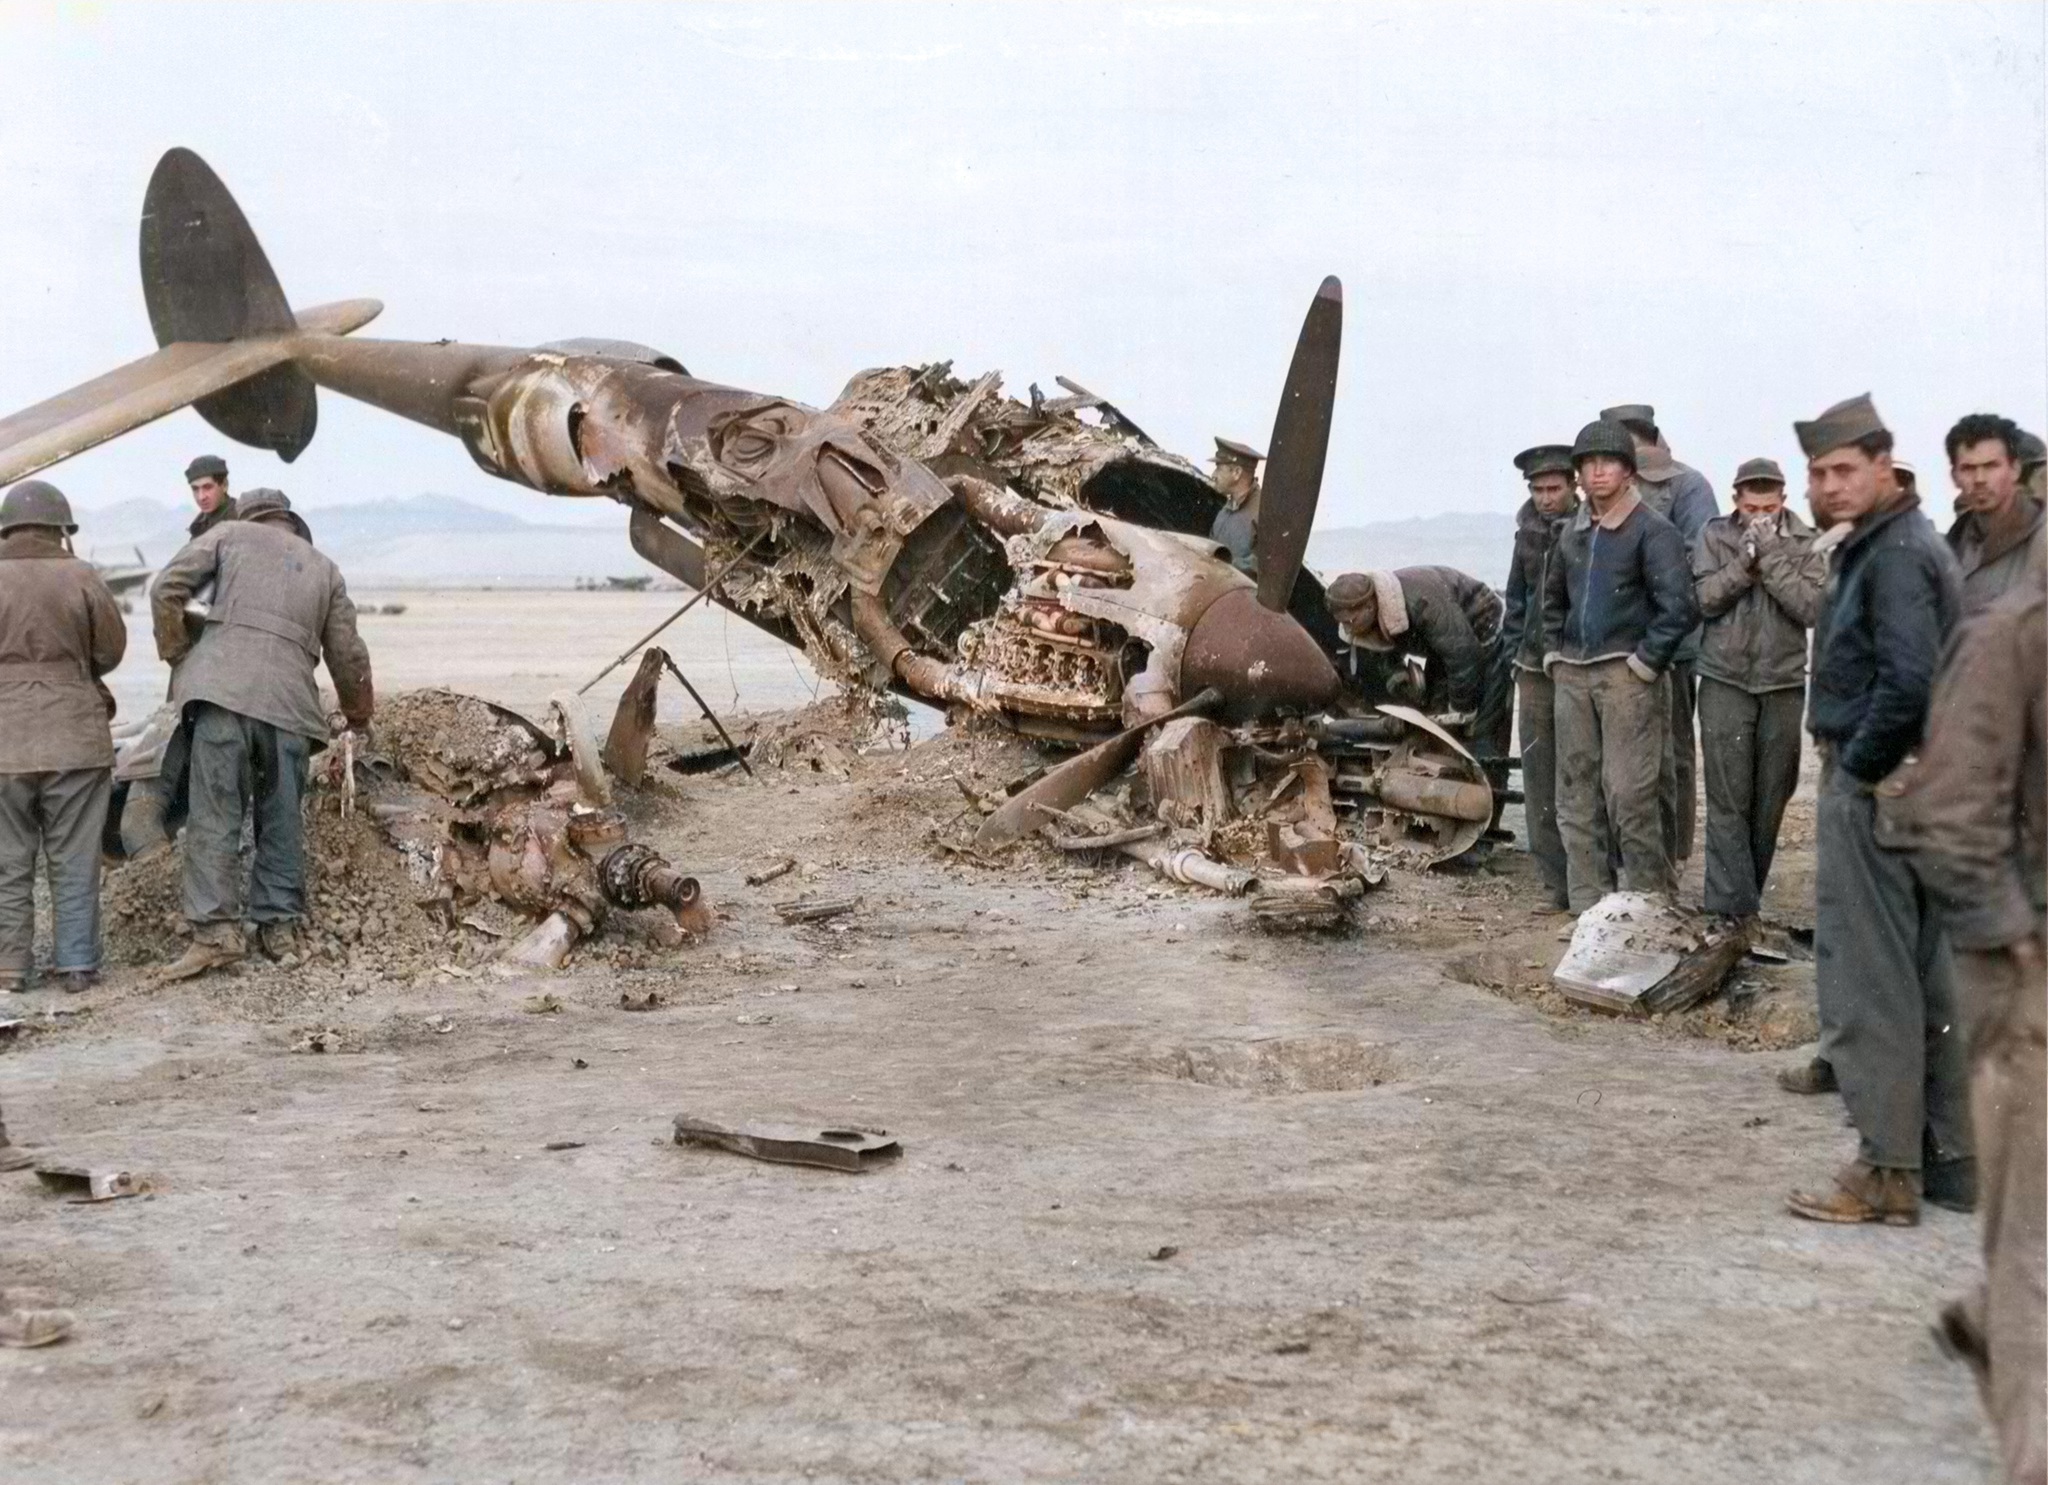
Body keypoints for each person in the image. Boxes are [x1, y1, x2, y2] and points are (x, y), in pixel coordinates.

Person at [1784, 394, 1971, 1227]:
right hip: (1922, 781)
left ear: (1884, 465)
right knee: (1931, 973)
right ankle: (1953, 1161)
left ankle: (1886, 1169)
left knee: (1872, 978)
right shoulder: (1900, 540)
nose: (1828, 486)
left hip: (1879, 783)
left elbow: (1908, 680)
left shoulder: (1892, 553)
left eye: (1844, 469)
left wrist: (1857, 770)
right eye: (1817, 473)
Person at [1911, 557, 2045, 1484]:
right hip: (2032, 983)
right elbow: (1950, 809)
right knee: (2033, 1234)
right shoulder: (2012, 639)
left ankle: (1985, 1313)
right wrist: (2016, 941)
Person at [148, 490, 373, 980]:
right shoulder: (324, 567)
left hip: (221, 699)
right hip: (289, 708)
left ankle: (216, 935)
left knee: (214, 815)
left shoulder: (226, 535)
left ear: (248, 517)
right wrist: (359, 717)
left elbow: (166, 589)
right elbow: (348, 652)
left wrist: (181, 657)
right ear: (290, 523)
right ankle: (278, 927)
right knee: (280, 817)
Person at [1540, 419, 1697, 909]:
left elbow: (1679, 608)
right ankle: (1590, 911)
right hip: (1573, 676)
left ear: (1629, 470)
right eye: (1588, 463)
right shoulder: (1570, 534)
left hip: (1628, 678)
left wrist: (1644, 664)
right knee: (1576, 796)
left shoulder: (1654, 530)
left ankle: (1650, 908)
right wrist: (1554, 656)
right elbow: (1552, 602)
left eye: (1608, 461)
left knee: (1631, 795)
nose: (1597, 471)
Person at [0, 480, 126, 994]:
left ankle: (10, 967)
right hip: (75, 735)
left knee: (7, 859)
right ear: (62, 529)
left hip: (5, 739)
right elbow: (110, 651)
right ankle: (76, 964)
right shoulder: (83, 575)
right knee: (74, 856)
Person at [1691, 458, 1826, 922]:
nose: (1761, 517)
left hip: (1783, 681)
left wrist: (1770, 558)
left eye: (1770, 509)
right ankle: (1728, 910)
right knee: (1727, 799)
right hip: (1724, 678)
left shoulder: (1807, 540)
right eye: (1752, 509)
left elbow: (1812, 608)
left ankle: (1744, 902)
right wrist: (1743, 565)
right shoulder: (1714, 535)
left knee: (1771, 797)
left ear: (1784, 501)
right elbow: (1704, 599)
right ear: (1737, 502)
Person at [1601, 403, 1719, 864]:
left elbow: (1700, 558)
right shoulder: (1608, 486)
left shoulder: (1688, 485)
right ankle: (1623, 852)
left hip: (1671, 646)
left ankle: (1673, 853)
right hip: (1614, 644)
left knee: (1672, 754)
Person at [1324, 566, 1512, 792]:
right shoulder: (1378, 610)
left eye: (1350, 621)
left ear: (1369, 607)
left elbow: (1463, 655)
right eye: (1342, 623)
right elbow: (1380, 648)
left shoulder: (1422, 604)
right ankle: (1442, 789)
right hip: (1445, 648)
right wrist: (1398, 677)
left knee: (1482, 731)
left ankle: (1489, 798)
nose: (1347, 629)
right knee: (1434, 720)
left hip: (1485, 634)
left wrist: (1460, 711)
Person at [1500, 443, 1582, 908]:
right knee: (1539, 778)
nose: (1546, 498)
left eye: (1554, 488)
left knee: (1583, 775)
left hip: (1577, 666)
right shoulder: (1525, 535)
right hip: (1533, 670)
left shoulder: (1590, 529)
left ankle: (1591, 880)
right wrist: (1516, 652)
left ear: (1573, 486)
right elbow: (1515, 599)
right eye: (1538, 490)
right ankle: (1555, 884)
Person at [1944, 412, 2045, 616]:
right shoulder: (1950, 548)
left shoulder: (2041, 539)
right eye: (1968, 468)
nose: (1979, 479)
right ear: (1954, 477)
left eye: (1991, 466)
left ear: (2015, 469)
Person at [1207, 438, 1264, 574]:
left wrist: (1225, 566)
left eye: (1219, 468)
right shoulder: (1224, 512)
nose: (1213, 475)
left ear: (1237, 473)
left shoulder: (1265, 511)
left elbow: (1268, 566)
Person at [184, 453, 237, 540]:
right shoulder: (199, 526)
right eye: (195, 489)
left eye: (207, 487)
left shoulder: (242, 519)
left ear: (224, 485)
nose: (201, 497)